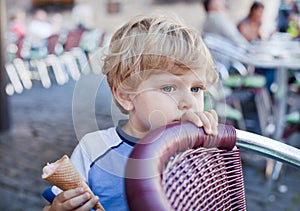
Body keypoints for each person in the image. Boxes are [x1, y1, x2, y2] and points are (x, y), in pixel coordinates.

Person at [42, 14, 219, 211]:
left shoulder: (197, 150)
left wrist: (211, 144)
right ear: (126, 96)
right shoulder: (94, 150)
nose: (188, 103)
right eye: (168, 88)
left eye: (196, 89)